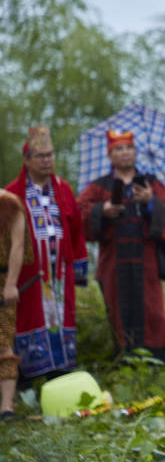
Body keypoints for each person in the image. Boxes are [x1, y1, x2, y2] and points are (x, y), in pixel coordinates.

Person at [77, 130, 165, 362]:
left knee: (152, 310)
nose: (124, 153)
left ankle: (157, 360)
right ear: (109, 155)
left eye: (128, 148)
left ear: (135, 152)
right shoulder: (99, 187)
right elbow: (78, 212)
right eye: (118, 149)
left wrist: (151, 202)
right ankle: (124, 359)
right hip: (113, 262)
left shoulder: (151, 183)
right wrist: (102, 210)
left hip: (147, 261)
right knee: (117, 309)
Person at [5, 126, 88, 379]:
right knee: (29, 319)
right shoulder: (12, 194)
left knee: (61, 317)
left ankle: (61, 374)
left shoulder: (63, 190)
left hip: (60, 272)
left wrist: (78, 268)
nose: (46, 160)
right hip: (28, 276)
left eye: (50, 155)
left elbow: (75, 230)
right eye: (40, 156)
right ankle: (28, 379)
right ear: (27, 159)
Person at [0, 190, 31, 420]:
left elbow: (18, 246)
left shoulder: (9, 204)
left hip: (2, 281)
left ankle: (7, 407)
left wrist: (11, 284)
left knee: (3, 343)